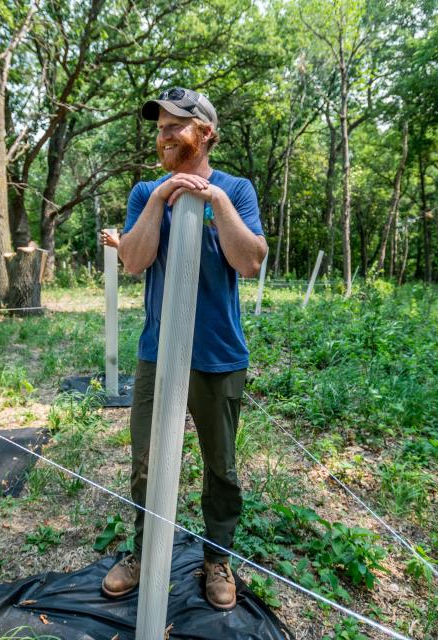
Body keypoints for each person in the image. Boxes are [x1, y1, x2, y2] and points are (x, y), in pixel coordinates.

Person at [101, 87, 267, 611]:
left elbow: (251, 262)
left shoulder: (237, 190)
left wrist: (214, 201)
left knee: (221, 465)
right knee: (146, 462)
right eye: (160, 127)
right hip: (157, 351)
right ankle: (146, 549)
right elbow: (132, 260)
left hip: (218, 354)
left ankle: (217, 557)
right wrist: (157, 198)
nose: (164, 135)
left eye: (176, 125)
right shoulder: (144, 192)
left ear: (207, 133)